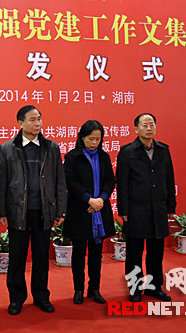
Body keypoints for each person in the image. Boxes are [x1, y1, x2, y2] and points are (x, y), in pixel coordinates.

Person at [0, 105, 66, 315]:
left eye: (39, 119)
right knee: (17, 257)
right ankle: (16, 299)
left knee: (41, 257)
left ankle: (41, 296)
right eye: (32, 119)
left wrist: (60, 210)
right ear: (20, 123)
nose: (37, 123)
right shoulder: (7, 148)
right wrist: (1, 211)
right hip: (18, 211)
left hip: (43, 210)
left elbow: (59, 180)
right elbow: (1, 182)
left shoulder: (51, 147)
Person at [117, 113, 176, 302]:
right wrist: (123, 210)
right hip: (136, 210)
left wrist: (170, 206)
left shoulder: (163, 150)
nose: (149, 128)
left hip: (158, 209)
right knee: (134, 253)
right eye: (144, 125)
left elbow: (169, 179)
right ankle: (135, 288)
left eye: (152, 124)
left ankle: (154, 287)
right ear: (136, 129)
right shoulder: (127, 152)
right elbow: (122, 184)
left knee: (156, 252)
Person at [62, 120, 115, 305]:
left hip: (99, 209)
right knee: (78, 253)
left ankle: (95, 289)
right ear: (82, 137)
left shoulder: (104, 157)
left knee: (96, 254)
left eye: (98, 139)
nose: (94, 143)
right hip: (80, 210)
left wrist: (101, 199)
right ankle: (78, 289)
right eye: (91, 139)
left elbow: (110, 180)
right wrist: (89, 199)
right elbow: (70, 182)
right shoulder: (72, 157)